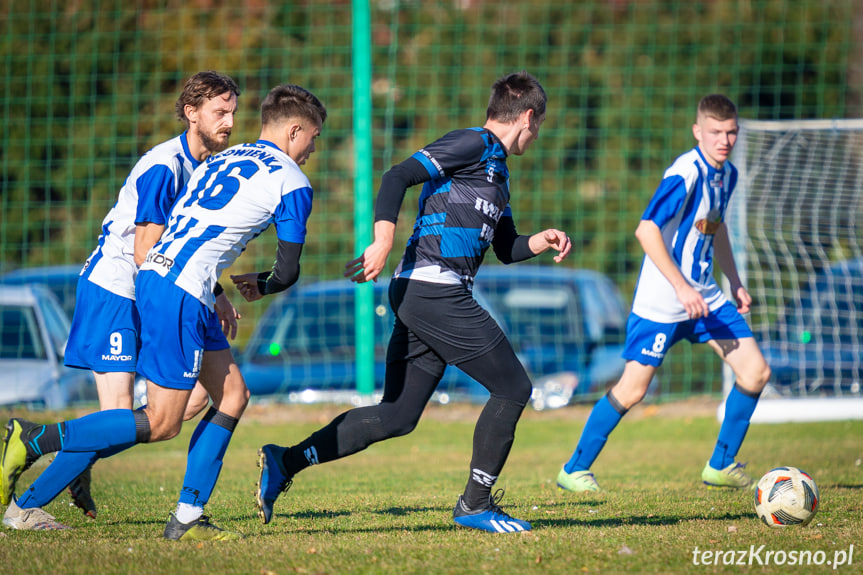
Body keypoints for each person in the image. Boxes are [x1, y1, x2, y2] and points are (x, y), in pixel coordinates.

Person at [0, 83, 327, 540]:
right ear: (295, 130)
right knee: (162, 421)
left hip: (165, 278)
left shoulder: (225, 158)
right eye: (313, 138)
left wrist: (214, 289)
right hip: (178, 289)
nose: (313, 150)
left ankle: (187, 518)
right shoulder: (293, 181)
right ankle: (39, 439)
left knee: (232, 395)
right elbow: (288, 271)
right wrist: (265, 285)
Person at [253, 71, 571, 534]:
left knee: (399, 416)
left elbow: (505, 248)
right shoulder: (474, 143)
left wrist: (537, 241)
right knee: (514, 388)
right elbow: (397, 175)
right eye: (538, 125)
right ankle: (475, 504)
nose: (537, 135)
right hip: (432, 289)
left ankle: (285, 462)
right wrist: (383, 240)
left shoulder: (498, 173)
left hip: (425, 293)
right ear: (527, 116)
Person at [0, 71, 241, 519]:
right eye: (219, 112)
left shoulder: (206, 167)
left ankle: (65, 459)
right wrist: (187, 299)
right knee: (120, 418)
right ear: (191, 114)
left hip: (151, 291)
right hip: (115, 290)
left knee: (188, 402)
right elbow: (146, 249)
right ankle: (27, 496)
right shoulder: (165, 166)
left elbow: (181, 244)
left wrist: (216, 291)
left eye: (232, 112)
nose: (229, 121)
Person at [556, 94, 771, 494]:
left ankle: (721, 465)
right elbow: (646, 230)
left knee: (756, 371)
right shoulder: (686, 172)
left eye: (730, 133)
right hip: (664, 301)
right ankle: (574, 468)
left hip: (705, 297)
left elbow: (716, 227)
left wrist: (735, 281)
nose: (724, 140)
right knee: (633, 389)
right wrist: (680, 286)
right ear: (697, 131)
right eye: (715, 132)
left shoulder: (728, 175)